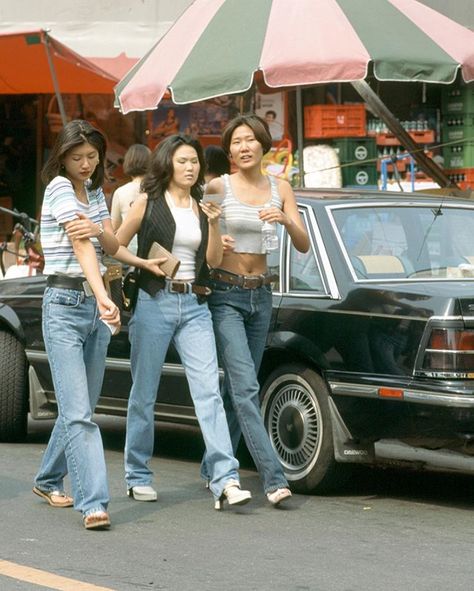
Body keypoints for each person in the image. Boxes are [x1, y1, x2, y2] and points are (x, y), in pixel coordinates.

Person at [33, 120, 164, 530]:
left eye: (92, 157)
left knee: (81, 408)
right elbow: (81, 246)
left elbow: (109, 242)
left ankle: (48, 478)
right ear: (62, 156)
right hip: (65, 305)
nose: (86, 164)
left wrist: (135, 260)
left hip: (92, 307)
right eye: (77, 158)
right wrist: (105, 295)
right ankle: (93, 502)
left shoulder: (93, 191)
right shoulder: (57, 188)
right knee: (79, 414)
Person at [115, 134, 252, 510]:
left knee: (208, 392)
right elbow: (115, 245)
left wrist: (215, 223)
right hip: (154, 301)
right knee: (144, 392)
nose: (190, 168)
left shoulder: (200, 206)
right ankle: (137, 475)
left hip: (193, 303)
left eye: (194, 162)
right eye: (183, 161)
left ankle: (225, 479)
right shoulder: (147, 201)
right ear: (168, 165)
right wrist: (143, 263)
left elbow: (212, 260)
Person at [201, 114, 310, 506]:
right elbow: (205, 250)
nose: (243, 147)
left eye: (250, 140)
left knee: (238, 390)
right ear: (228, 149)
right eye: (236, 141)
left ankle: (212, 469)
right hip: (226, 295)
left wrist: (284, 218)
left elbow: (303, 243)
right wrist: (216, 232)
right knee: (247, 388)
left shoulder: (280, 187)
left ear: (263, 145)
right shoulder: (217, 186)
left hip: (261, 295)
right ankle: (274, 478)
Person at [111, 143, 151, 255]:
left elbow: (114, 227)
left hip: (128, 252)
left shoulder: (120, 192)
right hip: (151, 251)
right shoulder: (157, 190)